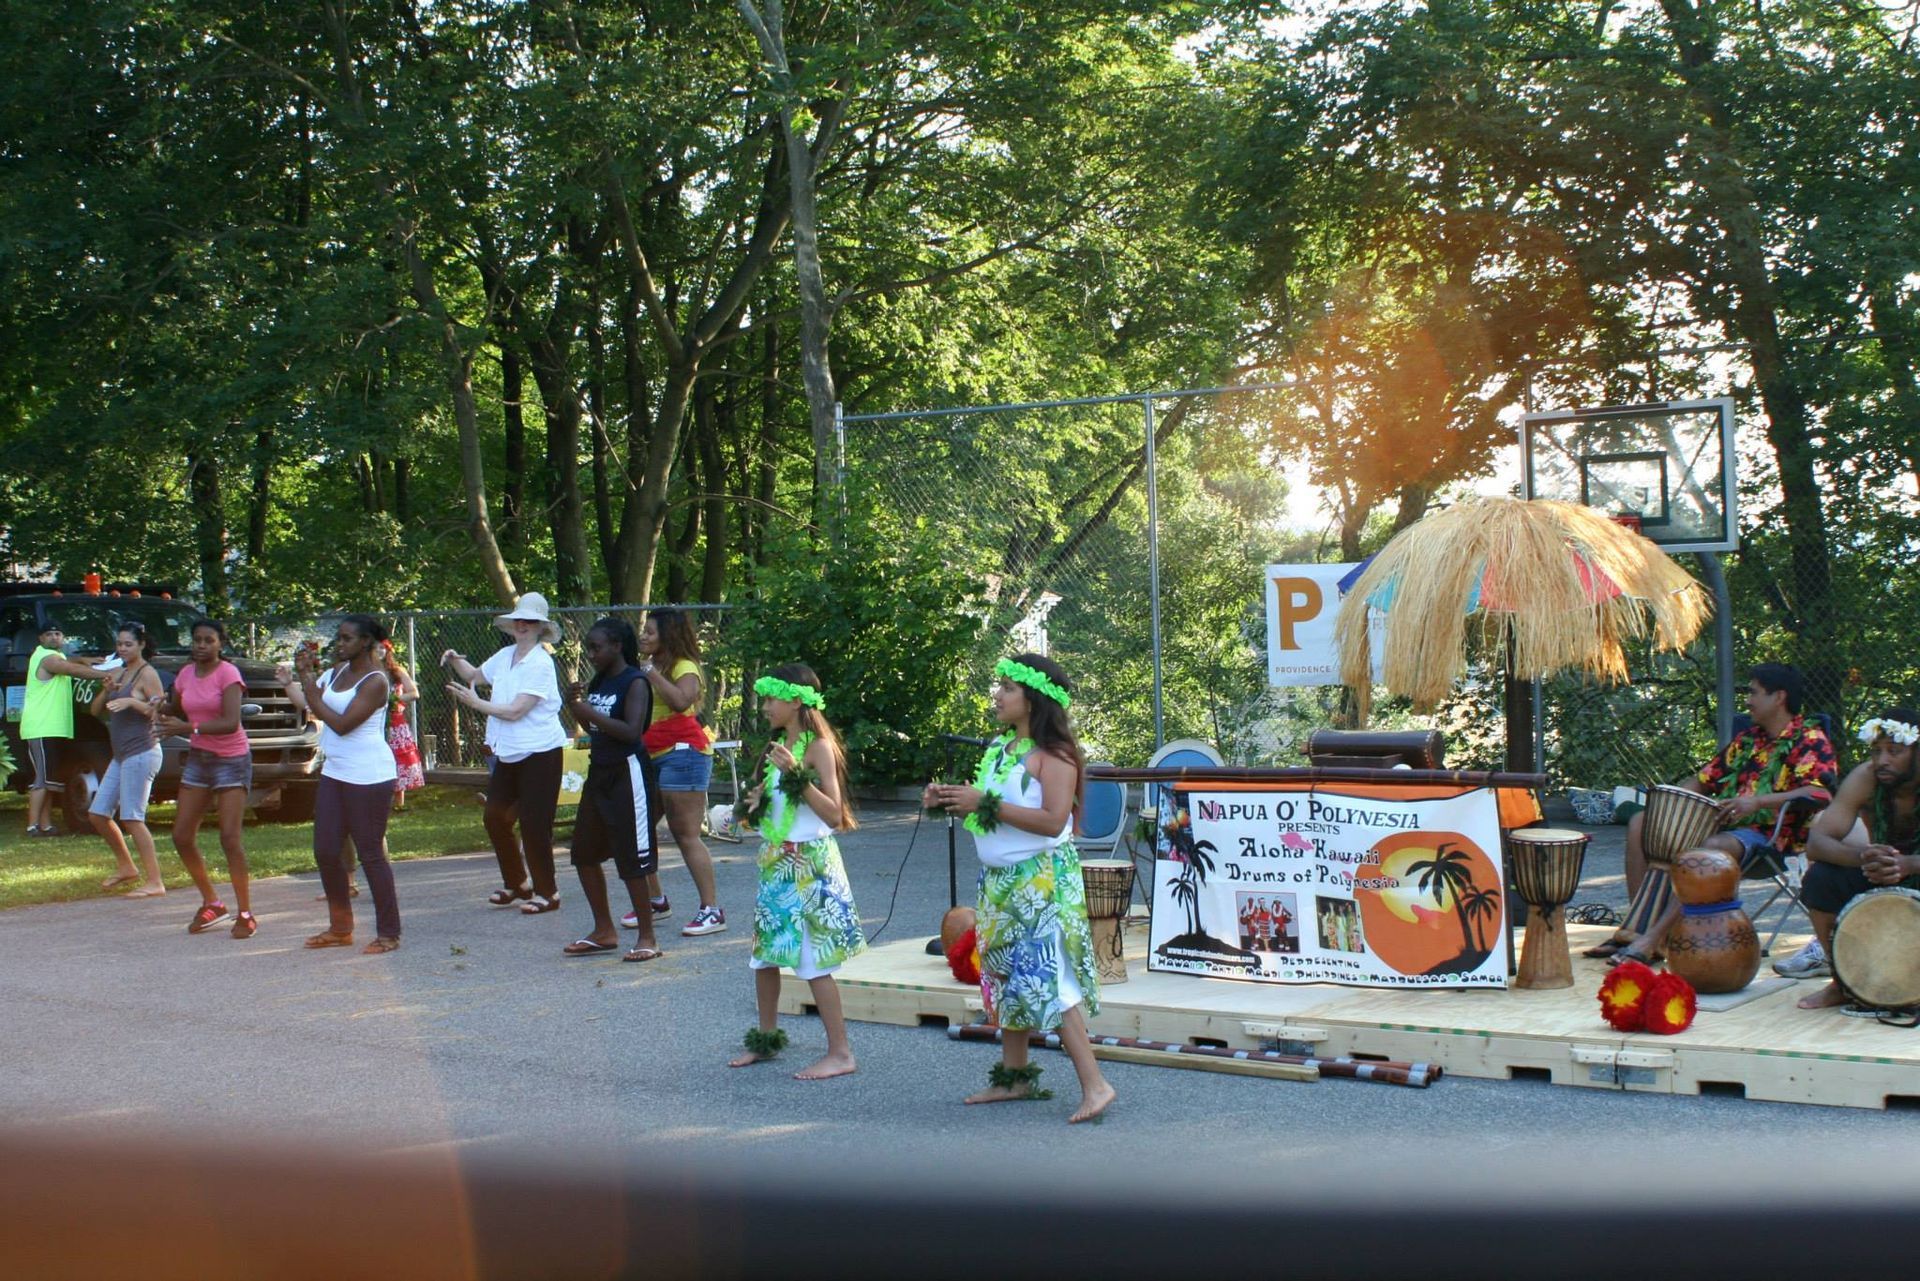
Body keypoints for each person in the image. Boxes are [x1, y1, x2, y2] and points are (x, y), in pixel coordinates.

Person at [924, 654, 1115, 1124]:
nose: (998, 695)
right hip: (999, 882)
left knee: (1050, 979)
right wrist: (953, 801)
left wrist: (982, 800)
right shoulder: (1001, 751)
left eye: (1008, 688)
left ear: (1033, 699)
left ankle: (1096, 1085)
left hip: (1041, 882)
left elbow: (1053, 823)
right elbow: (992, 814)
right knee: (1005, 974)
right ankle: (1016, 1077)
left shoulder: (1055, 757)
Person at [1586, 664, 1837, 967]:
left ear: (1779, 697)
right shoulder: (1747, 740)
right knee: (1642, 822)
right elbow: (1704, 780)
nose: (1747, 700)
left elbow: (1821, 794)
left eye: (1753, 692)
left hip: (1772, 837)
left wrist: (1758, 802)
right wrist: (1668, 808)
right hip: (1724, 824)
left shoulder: (1810, 739)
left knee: (1712, 848)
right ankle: (1635, 929)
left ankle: (1653, 939)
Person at [727, 665, 864, 1079]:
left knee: (812, 960)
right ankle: (767, 1041)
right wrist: (752, 806)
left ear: (797, 701)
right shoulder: (775, 746)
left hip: (809, 864)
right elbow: (774, 805)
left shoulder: (817, 747)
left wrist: (795, 776)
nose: (765, 706)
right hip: (776, 862)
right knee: (765, 957)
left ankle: (841, 1053)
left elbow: (835, 814)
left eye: (772, 699)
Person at [442, 592, 569, 914]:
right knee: (495, 816)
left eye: (530, 621)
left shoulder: (541, 663)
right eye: (519, 620)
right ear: (512, 625)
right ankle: (518, 883)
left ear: (541, 627)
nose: (523, 625)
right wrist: (456, 658)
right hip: (509, 752)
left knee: (534, 823)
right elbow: (473, 676)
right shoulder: (505, 655)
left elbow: (515, 711)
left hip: (541, 751)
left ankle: (548, 893)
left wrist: (476, 704)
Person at [286, 616, 402, 954]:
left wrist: (307, 679)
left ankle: (389, 933)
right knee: (325, 850)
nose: (340, 643)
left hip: (368, 775)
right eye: (338, 637)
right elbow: (313, 705)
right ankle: (340, 927)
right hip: (336, 772)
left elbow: (341, 724)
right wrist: (306, 679)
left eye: (347, 638)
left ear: (366, 642)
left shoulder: (376, 680)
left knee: (370, 854)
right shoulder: (336, 672)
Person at [1794, 709, 1920, 1010]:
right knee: (1820, 880)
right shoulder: (1866, 777)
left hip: (1912, 867)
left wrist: (1910, 864)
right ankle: (1844, 982)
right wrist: (1863, 856)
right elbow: (1818, 843)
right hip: (1881, 870)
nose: (1882, 761)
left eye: (1895, 751)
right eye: (1876, 751)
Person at [559, 618, 664, 964]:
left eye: (596, 647)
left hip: (628, 773)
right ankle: (604, 931)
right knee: (584, 853)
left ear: (617, 645)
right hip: (600, 772)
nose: (591, 654)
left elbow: (631, 731)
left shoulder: (635, 681)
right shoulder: (600, 680)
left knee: (632, 857)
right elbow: (594, 728)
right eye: (589, 648)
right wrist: (576, 707)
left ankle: (647, 936)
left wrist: (588, 711)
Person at [155, 618, 258, 938]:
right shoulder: (185, 674)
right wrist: (159, 705)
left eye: (208, 640)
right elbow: (177, 707)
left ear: (220, 644)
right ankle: (212, 903)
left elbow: (229, 722)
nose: (201, 645)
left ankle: (245, 912)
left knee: (229, 838)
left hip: (231, 759)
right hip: (199, 759)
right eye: (197, 640)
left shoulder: (229, 674)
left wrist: (186, 729)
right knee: (182, 835)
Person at [630, 608, 726, 937]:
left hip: (683, 754)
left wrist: (651, 674)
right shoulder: (648, 666)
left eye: (651, 632)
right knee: (638, 830)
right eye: (643, 630)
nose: (643, 636)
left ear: (667, 636)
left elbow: (681, 701)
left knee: (685, 833)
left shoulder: (684, 666)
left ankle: (712, 910)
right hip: (651, 752)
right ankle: (655, 901)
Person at [87, 622, 168, 896]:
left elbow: (158, 712)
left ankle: (155, 882)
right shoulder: (119, 671)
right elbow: (95, 711)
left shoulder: (148, 674)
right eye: (119, 644)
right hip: (121, 755)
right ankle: (126, 867)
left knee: (133, 818)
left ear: (142, 645)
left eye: (128, 644)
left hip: (143, 752)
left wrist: (133, 702)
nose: (122, 648)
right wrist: (107, 690)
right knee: (98, 814)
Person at [21, 622, 105, 837]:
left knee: (51, 780)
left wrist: (82, 659)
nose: (54, 637)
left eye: (58, 633)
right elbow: (69, 668)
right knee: (42, 780)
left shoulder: (56, 656)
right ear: (40, 639)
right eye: (49, 634)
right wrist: (108, 673)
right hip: (41, 728)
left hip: (55, 728)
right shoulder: (45, 657)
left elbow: (69, 662)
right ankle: (32, 826)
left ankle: (46, 825)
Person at [382, 641, 425, 808]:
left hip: (395, 720)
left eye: (382, 649)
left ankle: (399, 803)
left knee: (397, 758)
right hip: (373, 721)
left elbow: (414, 693)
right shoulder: (367, 672)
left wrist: (393, 700)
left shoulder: (397, 671)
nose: (379, 652)